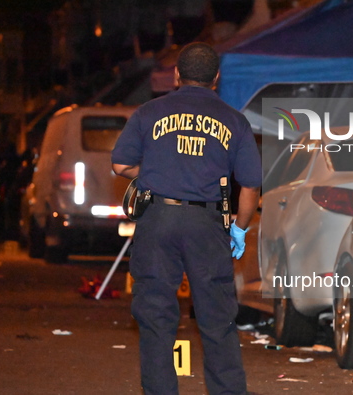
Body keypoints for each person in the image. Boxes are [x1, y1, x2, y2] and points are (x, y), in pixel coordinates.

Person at [111, 42, 261, 395]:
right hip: (207, 225)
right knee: (217, 321)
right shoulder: (235, 121)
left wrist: (160, 169)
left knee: (156, 319)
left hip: (158, 219)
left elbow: (120, 165)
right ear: (216, 79)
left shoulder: (148, 113)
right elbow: (251, 186)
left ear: (177, 75)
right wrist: (239, 228)